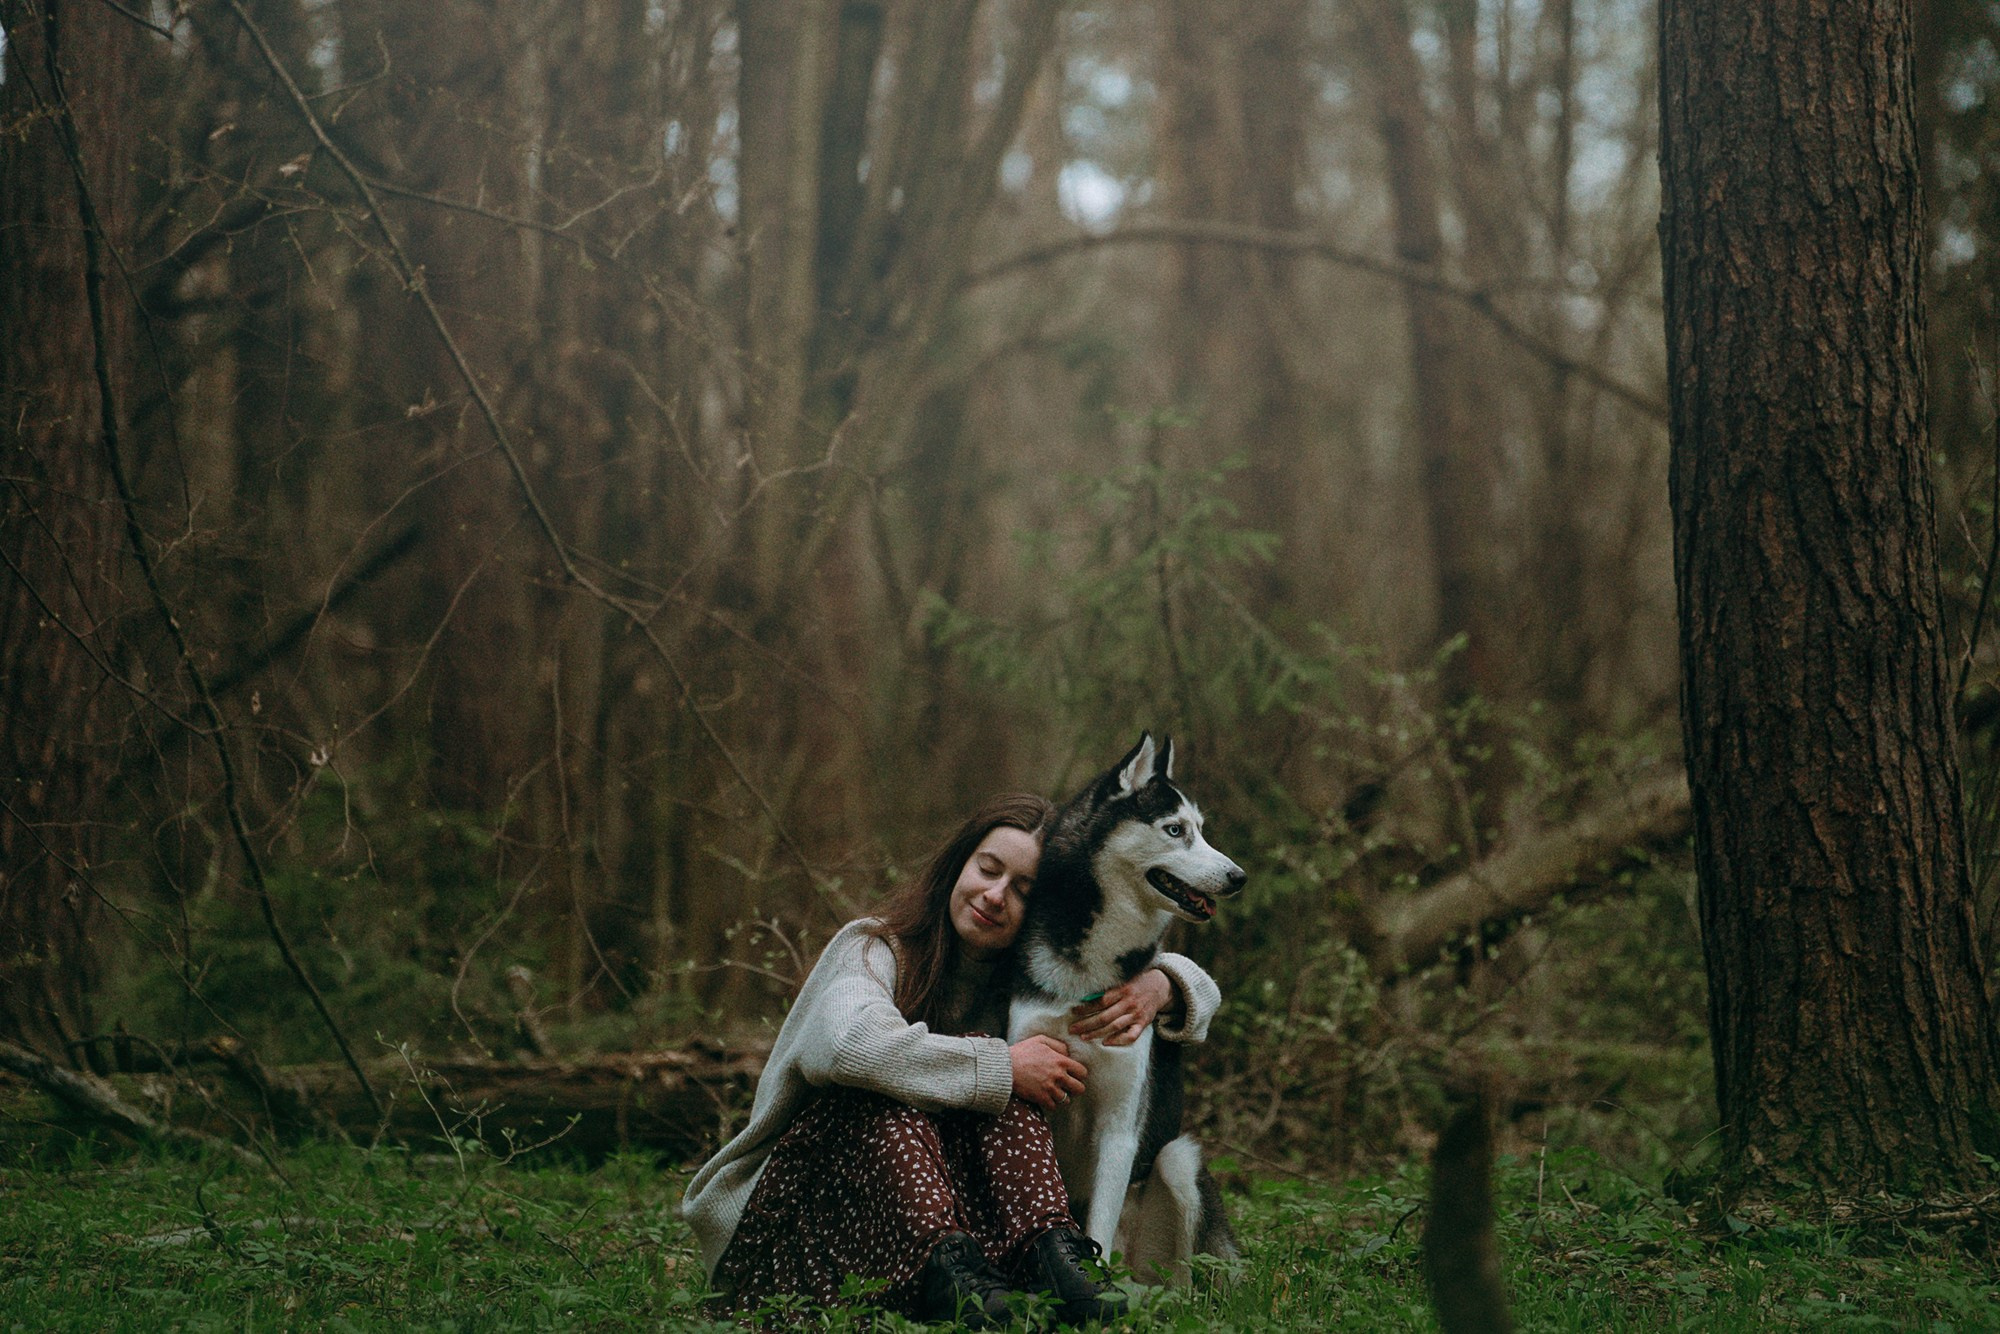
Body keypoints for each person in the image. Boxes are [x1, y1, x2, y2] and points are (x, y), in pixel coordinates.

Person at [680, 793, 1221, 1326]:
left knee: (1012, 1091)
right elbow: (848, 1046)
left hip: (940, 1235)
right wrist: (1001, 1067)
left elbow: (1177, 981)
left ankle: (1055, 1267)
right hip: (793, 1220)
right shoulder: (873, 948)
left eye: (1024, 890)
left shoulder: (1026, 986)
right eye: (987, 869)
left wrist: (1164, 982)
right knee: (904, 1099)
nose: (995, 895)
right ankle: (957, 1285)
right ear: (958, 865)